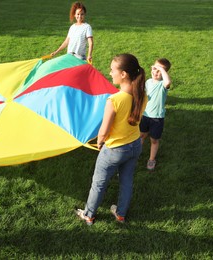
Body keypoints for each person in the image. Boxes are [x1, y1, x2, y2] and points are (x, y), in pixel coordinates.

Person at [76, 54, 147, 225]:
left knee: (99, 183)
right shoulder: (142, 94)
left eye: (112, 70)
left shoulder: (114, 100)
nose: (109, 73)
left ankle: (89, 215)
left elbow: (104, 131)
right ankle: (121, 214)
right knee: (127, 181)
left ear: (123, 74)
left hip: (115, 149)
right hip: (135, 145)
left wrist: (100, 142)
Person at [140, 58, 172, 170]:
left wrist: (161, 69)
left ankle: (151, 159)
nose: (156, 72)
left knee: (154, 140)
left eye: (159, 71)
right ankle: (134, 155)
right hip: (145, 115)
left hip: (157, 118)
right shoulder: (148, 82)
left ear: (164, 73)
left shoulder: (163, 84)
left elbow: (168, 82)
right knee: (141, 135)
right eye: (154, 69)